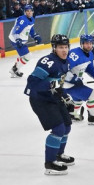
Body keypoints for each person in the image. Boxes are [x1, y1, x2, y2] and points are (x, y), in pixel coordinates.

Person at [25, 34, 77, 175]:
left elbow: (58, 85)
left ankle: (58, 155)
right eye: (60, 47)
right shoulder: (47, 61)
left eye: (66, 47)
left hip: (53, 97)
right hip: (40, 99)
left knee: (67, 127)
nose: (64, 50)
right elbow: (32, 82)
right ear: (54, 48)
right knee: (58, 129)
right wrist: (49, 84)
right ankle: (50, 163)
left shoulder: (66, 62)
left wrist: (66, 98)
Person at [63, 33, 94, 125]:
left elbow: (90, 69)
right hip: (67, 84)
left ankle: (72, 114)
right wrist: (72, 78)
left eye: (91, 43)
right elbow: (63, 69)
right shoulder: (74, 54)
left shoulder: (90, 54)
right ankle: (93, 118)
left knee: (78, 99)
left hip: (75, 83)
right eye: (86, 43)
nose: (89, 45)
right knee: (93, 95)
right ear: (82, 43)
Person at [7, 3, 41, 78]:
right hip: (15, 40)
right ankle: (15, 70)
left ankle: (14, 70)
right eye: (27, 11)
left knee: (22, 56)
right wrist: (17, 40)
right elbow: (16, 31)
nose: (29, 12)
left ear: (33, 11)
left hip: (21, 40)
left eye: (30, 11)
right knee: (28, 56)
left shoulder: (31, 19)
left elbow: (30, 29)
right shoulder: (22, 20)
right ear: (25, 12)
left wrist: (35, 36)